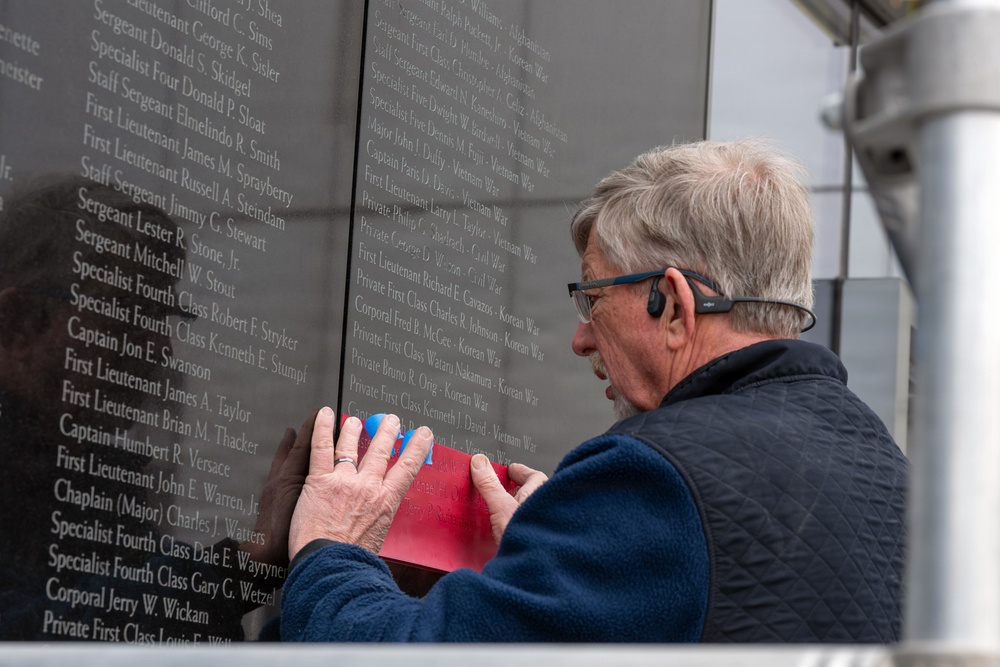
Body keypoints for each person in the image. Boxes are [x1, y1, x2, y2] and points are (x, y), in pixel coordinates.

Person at [278, 139, 908, 643]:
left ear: (675, 307)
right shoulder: (897, 480)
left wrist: (332, 551)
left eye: (594, 298)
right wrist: (566, 563)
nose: (581, 339)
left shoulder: (651, 479)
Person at [0, 177, 307, 640]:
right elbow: (36, 632)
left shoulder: (89, 481)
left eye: (161, 317)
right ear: (19, 324)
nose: (161, 350)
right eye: (129, 311)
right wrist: (247, 567)